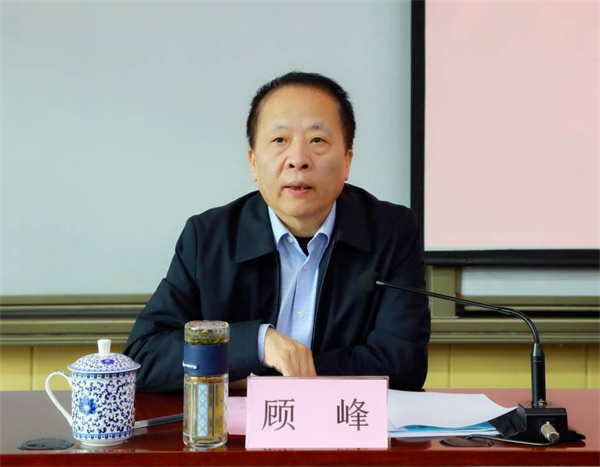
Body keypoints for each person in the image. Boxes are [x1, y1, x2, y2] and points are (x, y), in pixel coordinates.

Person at [124, 71, 430, 392]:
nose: (298, 160)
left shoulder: (390, 232)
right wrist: (257, 344)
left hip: (344, 420)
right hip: (235, 425)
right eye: (279, 140)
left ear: (347, 162)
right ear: (253, 163)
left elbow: (403, 364)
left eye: (317, 140)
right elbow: (145, 358)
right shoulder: (209, 238)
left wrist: (272, 378)